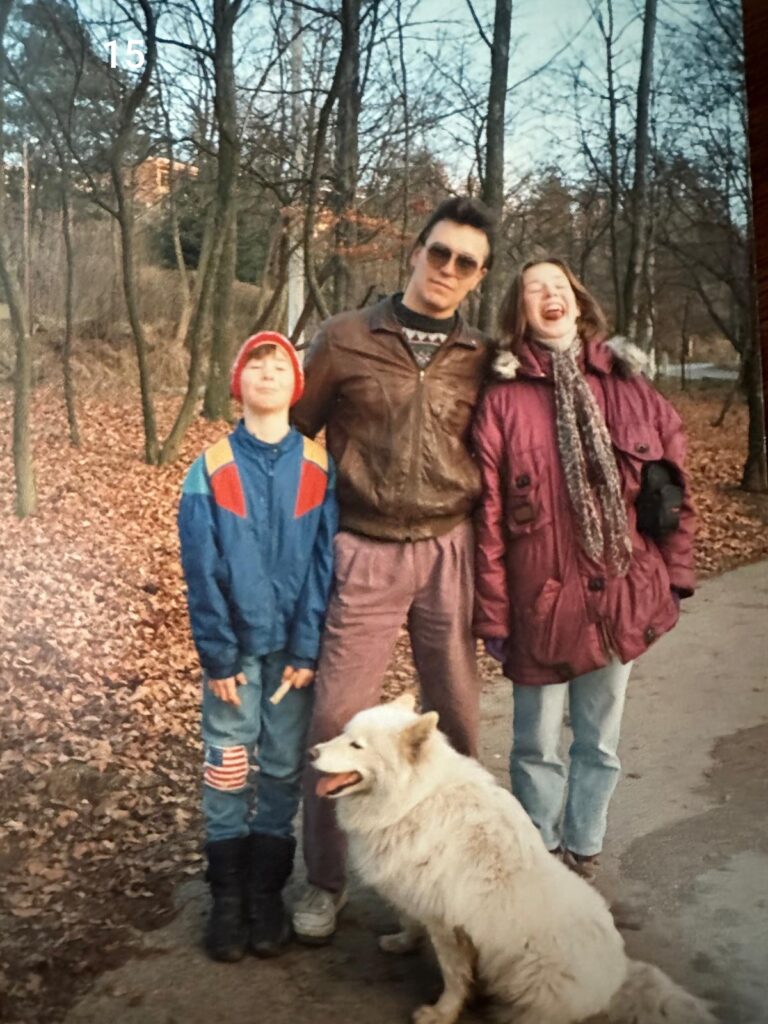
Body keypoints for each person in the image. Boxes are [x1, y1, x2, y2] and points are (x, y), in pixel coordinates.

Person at [290, 197, 497, 941]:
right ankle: (324, 882)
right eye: (439, 252)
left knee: (457, 722)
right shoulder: (345, 337)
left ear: (478, 277)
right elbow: (292, 436)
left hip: (449, 548)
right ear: (415, 252)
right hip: (364, 549)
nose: (448, 269)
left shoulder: (484, 357)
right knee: (335, 720)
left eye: (466, 262)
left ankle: (456, 881)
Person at [472, 257, 695, 882]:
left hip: (622, 591)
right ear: (520, 310)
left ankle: (584, 846)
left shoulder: (629, 385)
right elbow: (488, 520)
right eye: (534, 289)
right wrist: (494, 614)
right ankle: (541, 854)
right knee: (535, 743)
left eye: (559, 285)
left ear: (577, 298)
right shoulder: (502, 401)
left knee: (599, 740)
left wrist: (675, 575)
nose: (550, 295)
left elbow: (674, 490)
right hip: (541, 602)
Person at [178, 331, 337, 962]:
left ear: (296, 386)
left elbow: (324, 564)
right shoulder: (210, 467)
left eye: (280, 365)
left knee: (281, 766)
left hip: (292, 657)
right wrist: (217, 652)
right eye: (256, 363)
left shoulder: (319, 466)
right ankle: (227, 896)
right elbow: (200, 566)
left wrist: (307, 649)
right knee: (227, 762)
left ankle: (267, 892)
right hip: (235, 654)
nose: (267, 373)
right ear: (237, 381)